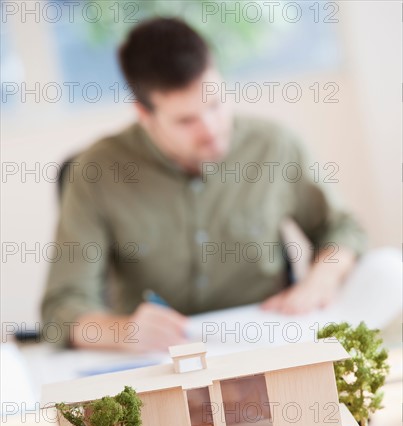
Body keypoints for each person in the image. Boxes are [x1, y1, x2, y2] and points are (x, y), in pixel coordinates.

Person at [41, 17, 367, 353]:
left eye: (215, 104)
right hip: (158, 364)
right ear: (144, 113)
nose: (211, 129)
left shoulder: (274, 146)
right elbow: (60, 311)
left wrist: (321, 278)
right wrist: (122, 331)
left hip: (264, 346)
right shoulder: (94, 172)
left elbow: (341, 228)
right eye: (186, 120)